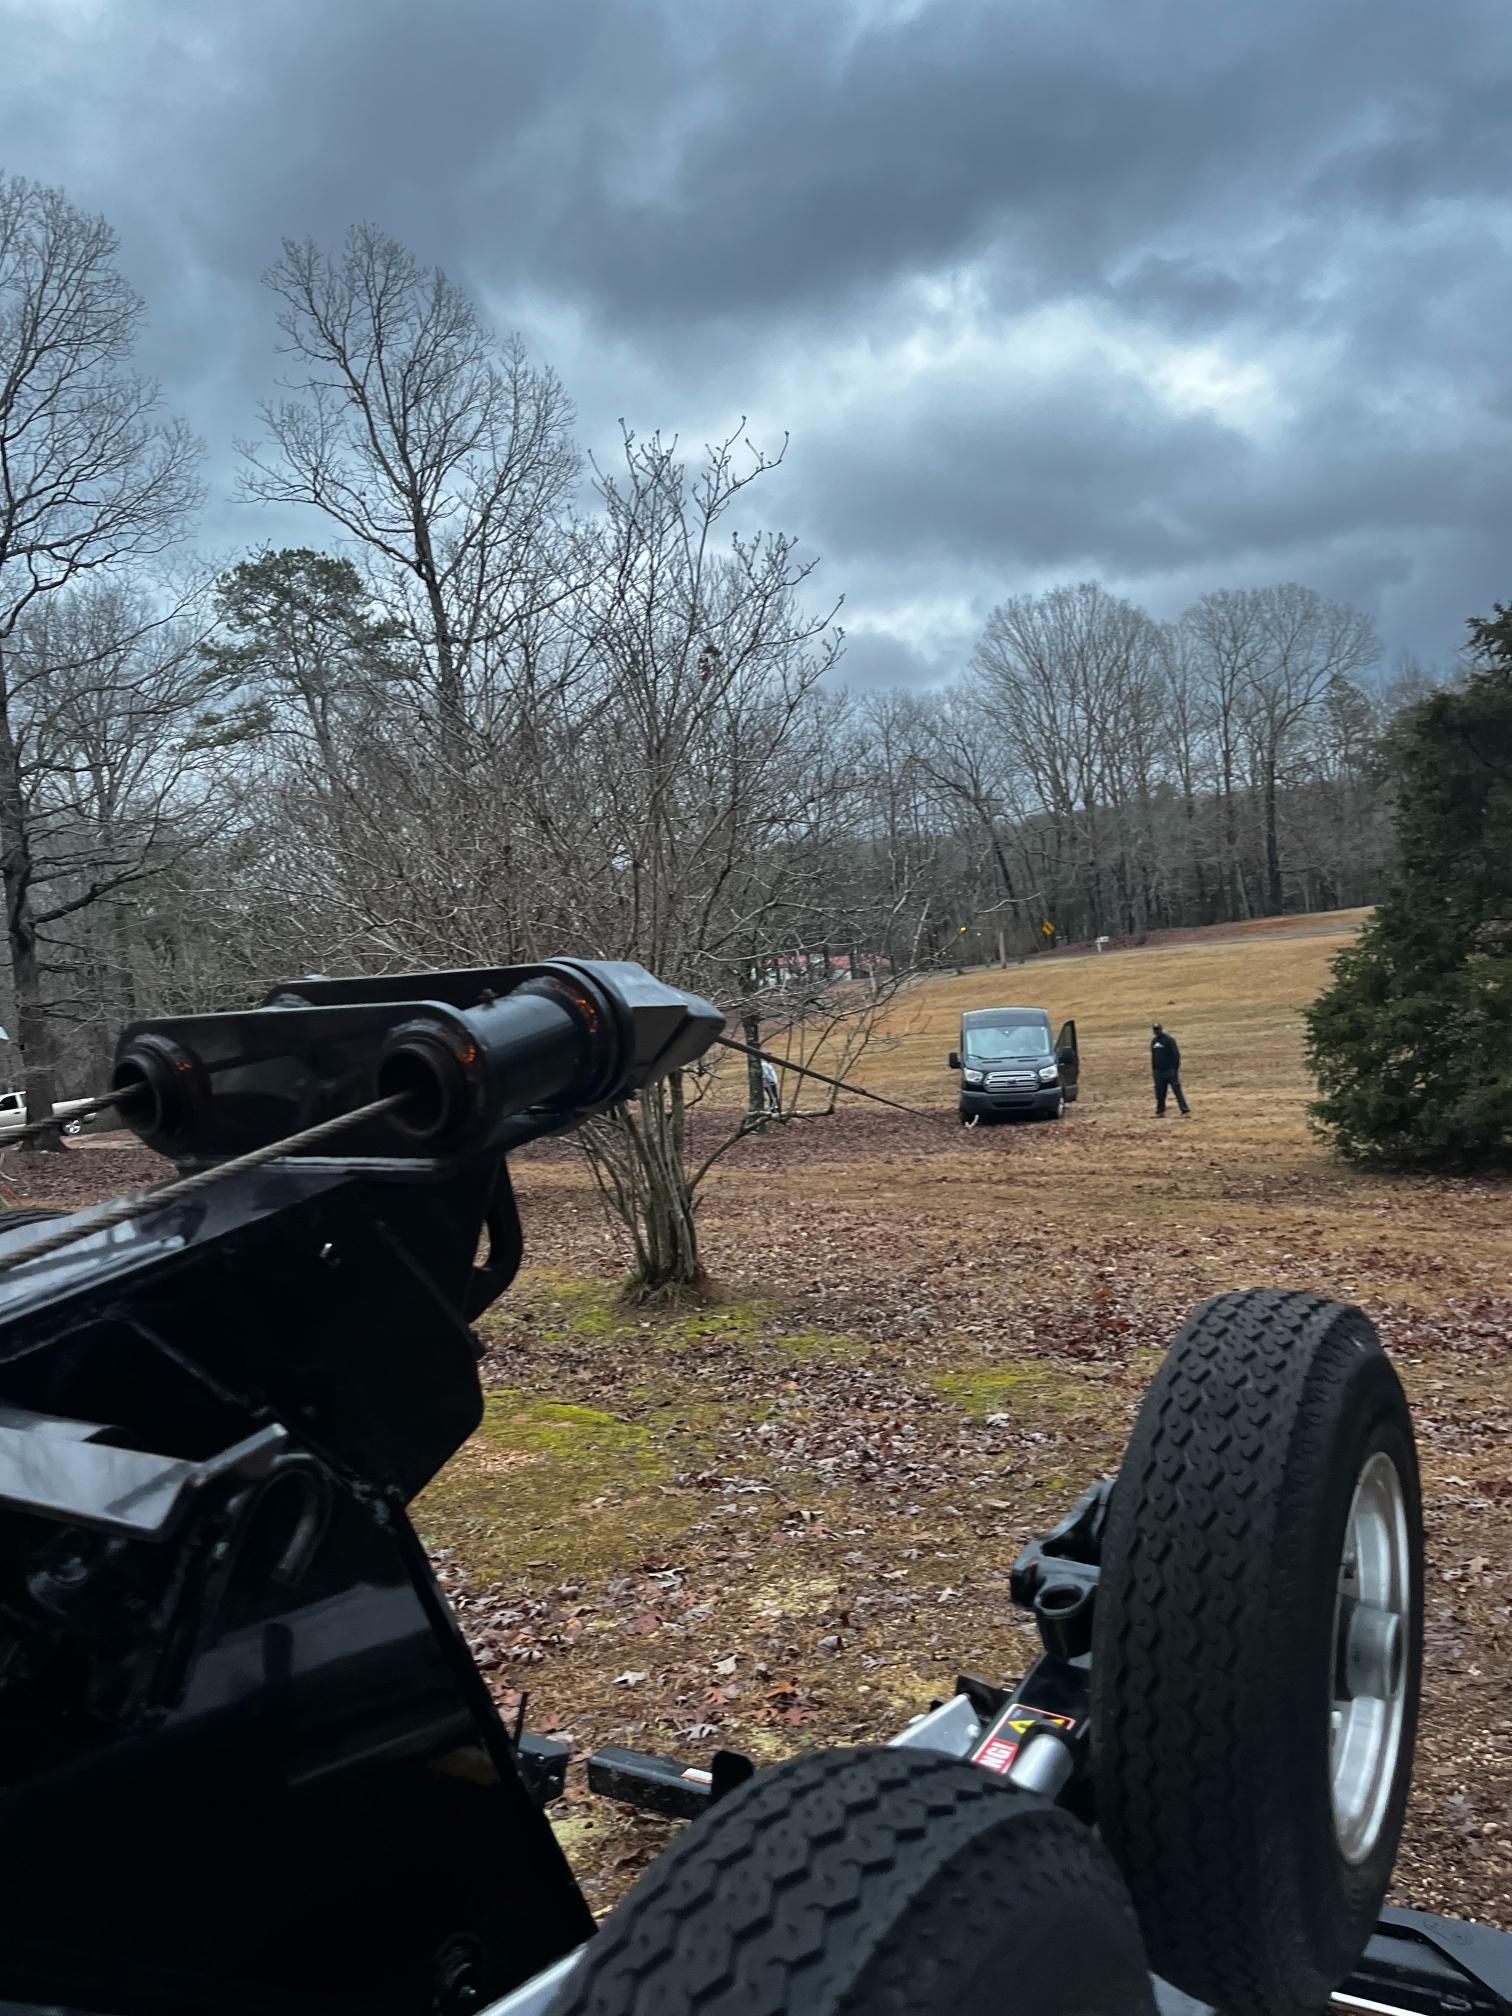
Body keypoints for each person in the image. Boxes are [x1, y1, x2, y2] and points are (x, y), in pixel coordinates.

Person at [1150, 1023, 1190, 1117]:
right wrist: (1154, 1070)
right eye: (1155, 1029)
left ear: (1161, 1029)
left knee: (1177, 1091)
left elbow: (1176, 1055)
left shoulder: (1169, 1040)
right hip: (1158, 1072)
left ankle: (1185, 1110)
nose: (1156, 1031)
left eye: (1158, 1029)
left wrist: (1174, 1069)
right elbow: (1153, 1057)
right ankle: (1160, 1111)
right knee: (1160, 1093)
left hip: (1170, 1071)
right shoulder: (1154, 1042)